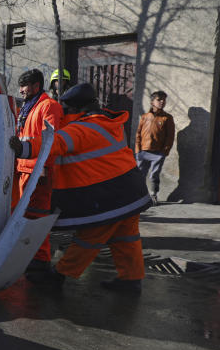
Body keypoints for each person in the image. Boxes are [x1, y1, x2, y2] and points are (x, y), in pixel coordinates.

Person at [12, 82, 151, 293]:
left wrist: (24, 147)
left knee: (89, 238)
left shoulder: (82, 129)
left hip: (110, 195)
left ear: (75, 109)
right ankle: (131, 280)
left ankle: (59, 276)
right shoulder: (106, 123)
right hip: (129, 191)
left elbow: (53, 142)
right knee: (126, 237)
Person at [14, 69, 63, 281]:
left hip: (39, 171)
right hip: (23, 169)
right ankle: (29, 254)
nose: (21, 90)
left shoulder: (49, 106)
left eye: (25, 86)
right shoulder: (27, 106)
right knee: (24, 215)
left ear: (36, 86)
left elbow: (49, 139)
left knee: (36, 216)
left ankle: (41, 260)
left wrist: (27, 153)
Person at [135, 90, 175, 205]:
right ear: (152, 102)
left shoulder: (167, 118)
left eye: (164, 100)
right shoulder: (145, 117)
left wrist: (164, 152)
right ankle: (139, 196)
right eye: (159, 99)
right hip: (143, 151)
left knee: (154, 175)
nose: (162, 102)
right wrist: (138, 150)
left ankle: (153, 195)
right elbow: (138, 134)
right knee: (140, 175)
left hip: (158, 153)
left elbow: (170, 137)